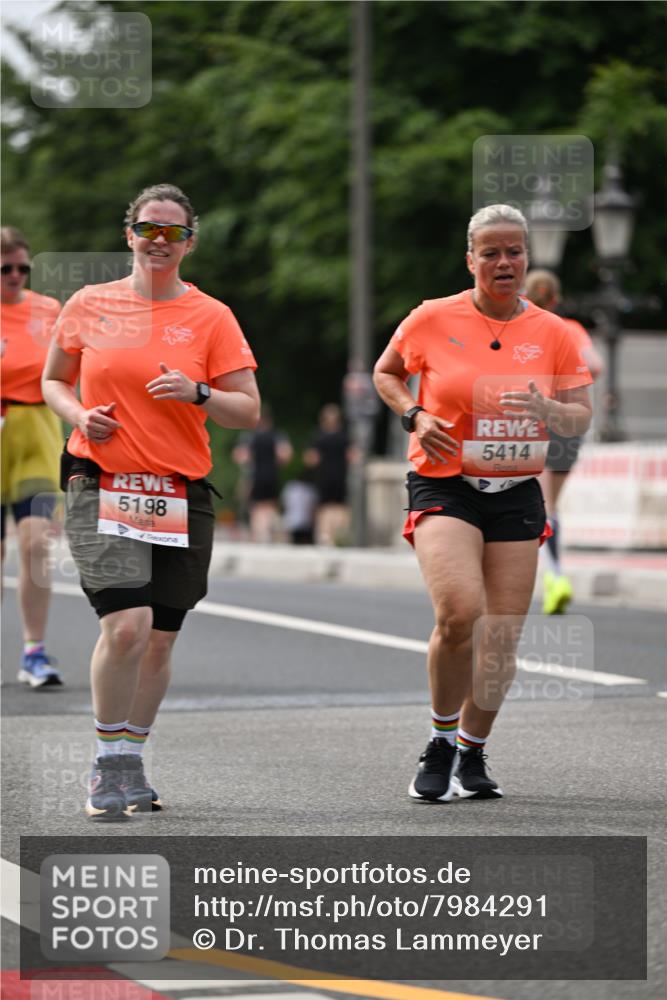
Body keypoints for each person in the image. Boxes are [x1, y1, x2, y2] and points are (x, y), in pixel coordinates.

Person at [42, 183, 260, 819]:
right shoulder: (89, 304)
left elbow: (247, 410)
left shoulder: (212, 317)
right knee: (127, 624)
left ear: (190, 241)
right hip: (100, 480)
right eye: (148, 229)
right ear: (129, 234)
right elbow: (54, 378)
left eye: (173, 232)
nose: (159, 241)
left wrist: (197, 393)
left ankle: (131, 754)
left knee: (160, 639)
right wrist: (81, 412)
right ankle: (107, 760)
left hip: (178, 490)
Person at [373, 203, 592, 804]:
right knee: (459, 613)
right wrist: (415, 415)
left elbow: (581, 411)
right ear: (470, 260)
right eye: (490, 252)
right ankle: (440, 740)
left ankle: (472, 749)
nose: (503, 262)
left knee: (500, 639)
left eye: (514, 251)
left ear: (527, 258)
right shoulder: (430, 318)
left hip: (516, 490)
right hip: (445, 482)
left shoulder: (553, 332)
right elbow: (386, 373)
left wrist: (551, 413)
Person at [1, 226, 64, 688]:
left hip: (37, 429)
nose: (16, 275)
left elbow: (68, 372)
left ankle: (34, 652)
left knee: (36, 544)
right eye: (6, 268)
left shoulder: (49, 310)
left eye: (24, 267)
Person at [524, 269, 604, 615]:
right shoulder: (570, 328)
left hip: (536, 419)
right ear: (556, 298)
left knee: (538, 503)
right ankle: (554, 574)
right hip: (569, 420)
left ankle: (554, 576)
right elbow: (595, 365)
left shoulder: (526, 328)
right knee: (551, 502)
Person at [232, 404, 292, 542]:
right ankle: (275, 531)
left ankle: (261, 535)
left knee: (256, 507)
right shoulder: (277, 435)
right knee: (270, 504)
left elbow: (240, 456)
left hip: (255, 475)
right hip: (272, 474)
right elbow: (285, 455)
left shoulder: (249, 436)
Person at [303, 403, 355, 546]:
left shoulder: (318, 436)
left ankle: (325, 536)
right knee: (339, 506)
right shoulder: (344, 436)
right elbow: (352, 456)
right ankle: (338, 535)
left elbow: (311, 459)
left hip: (324, 476)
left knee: (325, 506)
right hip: (339, 475)